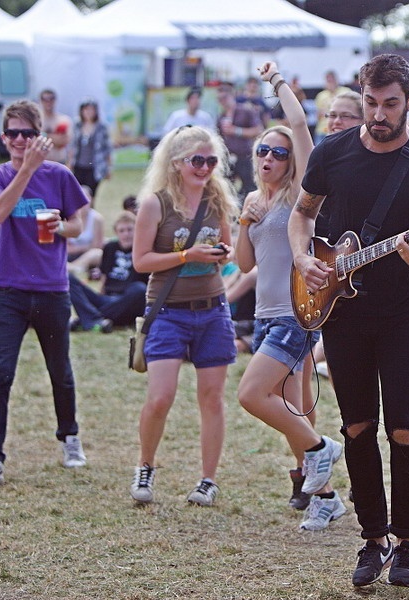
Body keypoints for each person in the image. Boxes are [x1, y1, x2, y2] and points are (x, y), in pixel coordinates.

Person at [288, 53, 409, 588]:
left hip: (405, 308)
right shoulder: (334, 152)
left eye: (390, 104)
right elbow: (302, 214)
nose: (379, 114)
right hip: (343, 309)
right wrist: (301, 258)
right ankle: (373, 537)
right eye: (370, 103)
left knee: (403, 426)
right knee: (357, 425)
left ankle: (407, 542)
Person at [234, 61, 345, 531]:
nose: (268, 159)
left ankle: (321, 450)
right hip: (265, 315)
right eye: (262, 151)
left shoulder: (302, 195)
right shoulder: (256, 202)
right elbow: (243, 265)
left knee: (251, 395)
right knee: (292, 411)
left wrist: (277, 81)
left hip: (296, 314)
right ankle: (324, 497)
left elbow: (299, 124)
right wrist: (244, 219)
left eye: (277, 153)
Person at [0, 100, 89, 486]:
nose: (20, 140)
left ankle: (70, 437)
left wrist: (61, 226)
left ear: (40, 137)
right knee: (1, 372)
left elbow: (78, 225)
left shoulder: (60, 175)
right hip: (11, 289)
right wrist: (27, 170)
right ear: (4, 138)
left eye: (28, 134)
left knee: (60, 371)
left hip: (52, 288)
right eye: (13, 134)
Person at [128, 125, 237, 506]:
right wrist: (186, 256)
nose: (205, 167)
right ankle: (145, 466)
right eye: (197, 160)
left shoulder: (216, 198)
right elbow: (141, 262)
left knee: (212, 398)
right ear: (176, 163)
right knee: (160, 397)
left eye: (211, 160)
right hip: (168, 311)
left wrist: (223, 254)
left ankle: (208, 480)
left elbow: (229, 251)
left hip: (212, 309)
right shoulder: (156, 203)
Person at [68, 211, 147, 332]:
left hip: (127, 301)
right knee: (68, 278)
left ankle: (88, 318)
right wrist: (99, 294)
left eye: (130, 230)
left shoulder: (143, 250)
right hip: (106, 299)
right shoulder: (110, 247)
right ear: (116, 233)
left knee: (140, 289)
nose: (126, 234)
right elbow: (104, 279)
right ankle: (94, 318)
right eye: (122, 231)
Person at [217, 82, 264, 200]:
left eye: (224, 97)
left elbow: (259, 130)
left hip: (245, 155)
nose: (222, 101)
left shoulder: (245, 110)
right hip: (228, 157)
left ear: (232, 96)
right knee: (226, 188)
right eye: (219, 99)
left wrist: (236, 131)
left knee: (249, 187)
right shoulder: (221, 116)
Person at [70, 99, 111, 199]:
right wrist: (69, 163)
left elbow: (107, 149)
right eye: (86, 109)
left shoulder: (102, 127)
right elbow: (72, 146)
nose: (88, 112)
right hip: (78, 165)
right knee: (77, 193)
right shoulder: (77, 125)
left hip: (94, 167)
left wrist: (108, 168)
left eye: (91, 109)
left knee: (90, 194)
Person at [313, 70, 351, 144]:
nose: (330, 83)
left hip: (341, 128)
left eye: (331, 80)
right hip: (322, 130)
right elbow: (317, 115)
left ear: (336, 80)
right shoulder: (321, 95)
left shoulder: (345, 92)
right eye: (328, 80)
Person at [39, 89, 73, 165]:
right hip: (40, 163)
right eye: (45, 99)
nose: (48, 102)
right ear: (41, 101)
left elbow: (64, 141)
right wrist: (55, 137)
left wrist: (44, 135)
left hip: (59, 162)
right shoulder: (36, 120)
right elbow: (34, 140)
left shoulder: (64, 120)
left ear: (55, 100)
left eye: (51, 99)